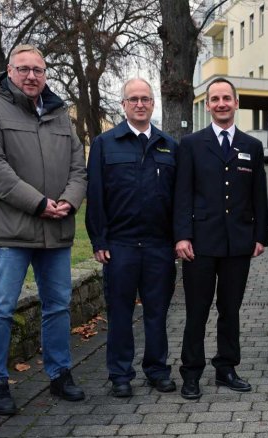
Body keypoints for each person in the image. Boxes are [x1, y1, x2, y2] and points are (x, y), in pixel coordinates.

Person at [0, 44, 87, 415]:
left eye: (38, 70)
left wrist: (70, 200)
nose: (31, 76)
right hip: (11, 232)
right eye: (23, 69)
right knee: (0, 308)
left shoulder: (59, 113)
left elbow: (77, 167)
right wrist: (39, 203)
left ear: (46, 73)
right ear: (9, 70)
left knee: (58, 306)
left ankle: (59, 374)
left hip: (56, 231)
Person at [174, 77, 268, 399]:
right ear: (208, 105)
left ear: (236, 103)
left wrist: (260, 236)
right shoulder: (191, 144)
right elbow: (182, 194)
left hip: (238, 244)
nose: (221, 104)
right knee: (197, 311)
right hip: (199, 243)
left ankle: (226, 368)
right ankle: (191, 373)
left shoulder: (251, 146)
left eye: (226, 98)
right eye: (215, 99)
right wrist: (182, 236)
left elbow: (259, 196)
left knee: (231, 309)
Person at [85, 78, 179, 398]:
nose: (140, 104)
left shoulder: (169, 145)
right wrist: (99, 240)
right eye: (133, 99)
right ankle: (120, 375)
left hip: (159, 245)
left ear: (154, 104)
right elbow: (95, 194)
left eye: (146, 99)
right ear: (123, 105)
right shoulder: (105, 143)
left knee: (156, 313)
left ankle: (157, 370)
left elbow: (179, 199)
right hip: (121, 245)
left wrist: (179, 239)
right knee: (121, 313)